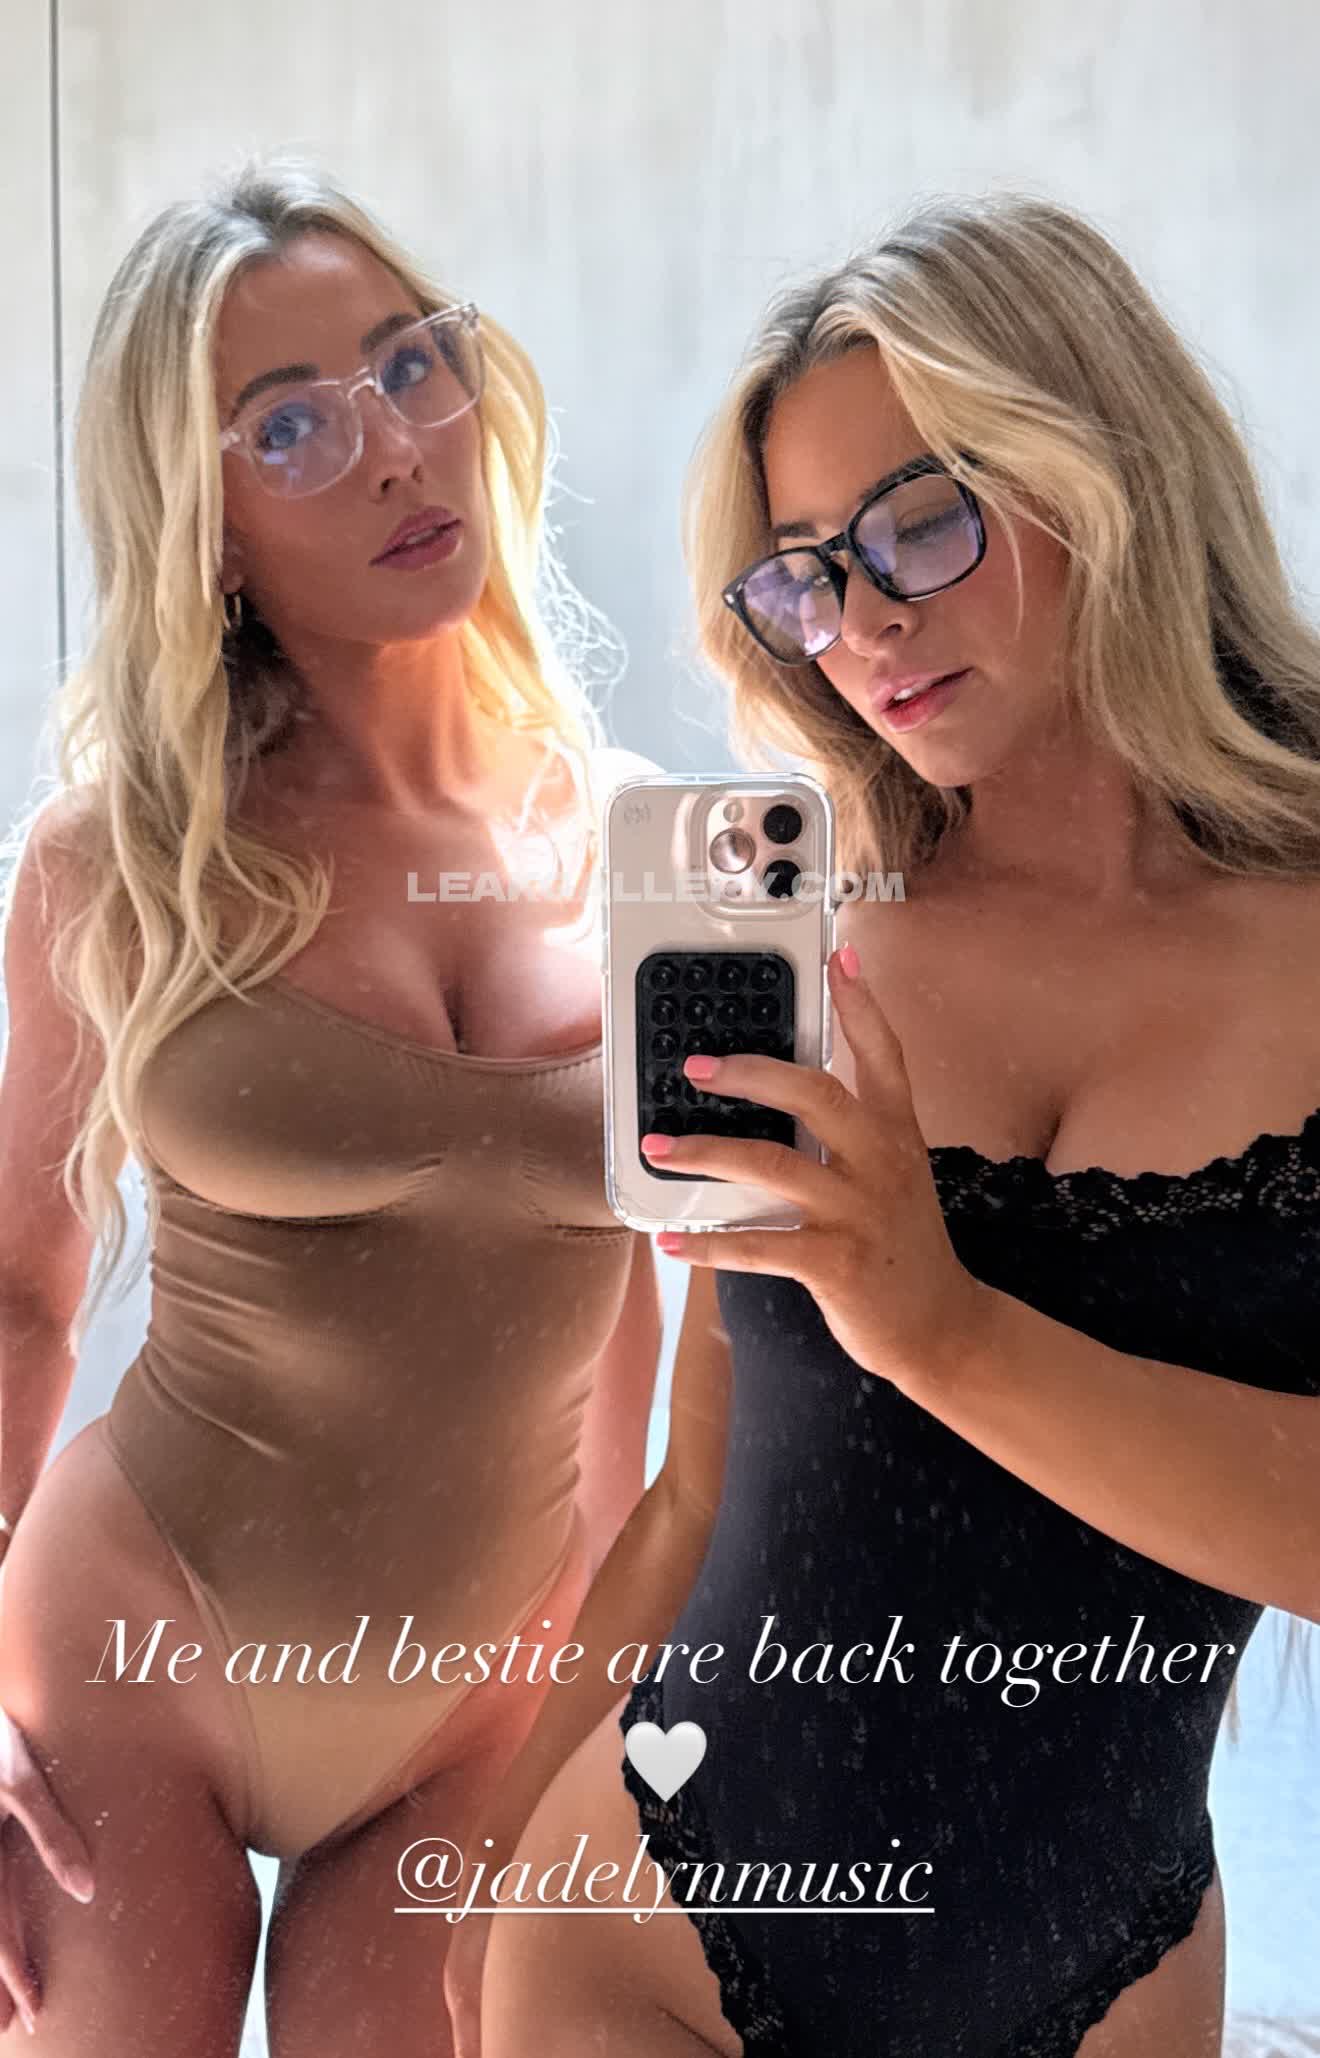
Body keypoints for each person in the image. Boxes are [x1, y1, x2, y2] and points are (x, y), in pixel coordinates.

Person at [467, 195, 1320, 2058]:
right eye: (802, 578)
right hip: (642, 1946)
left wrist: (936, 1324)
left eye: (918, 524)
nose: (858, 625)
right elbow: (699, 1494)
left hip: (1110, 1980)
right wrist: (496, 1870)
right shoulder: (821, 946)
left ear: (1102, 466)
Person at [0, 157, 661, 2054]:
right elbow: (23, 1290)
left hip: (477, 1695)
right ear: (201, 523)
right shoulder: (115, 862)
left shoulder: (630, 842)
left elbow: (628, 1282)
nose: (395, 448)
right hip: (139, 1650)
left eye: (411, 364)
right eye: (290, 423)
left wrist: (604, 1676)